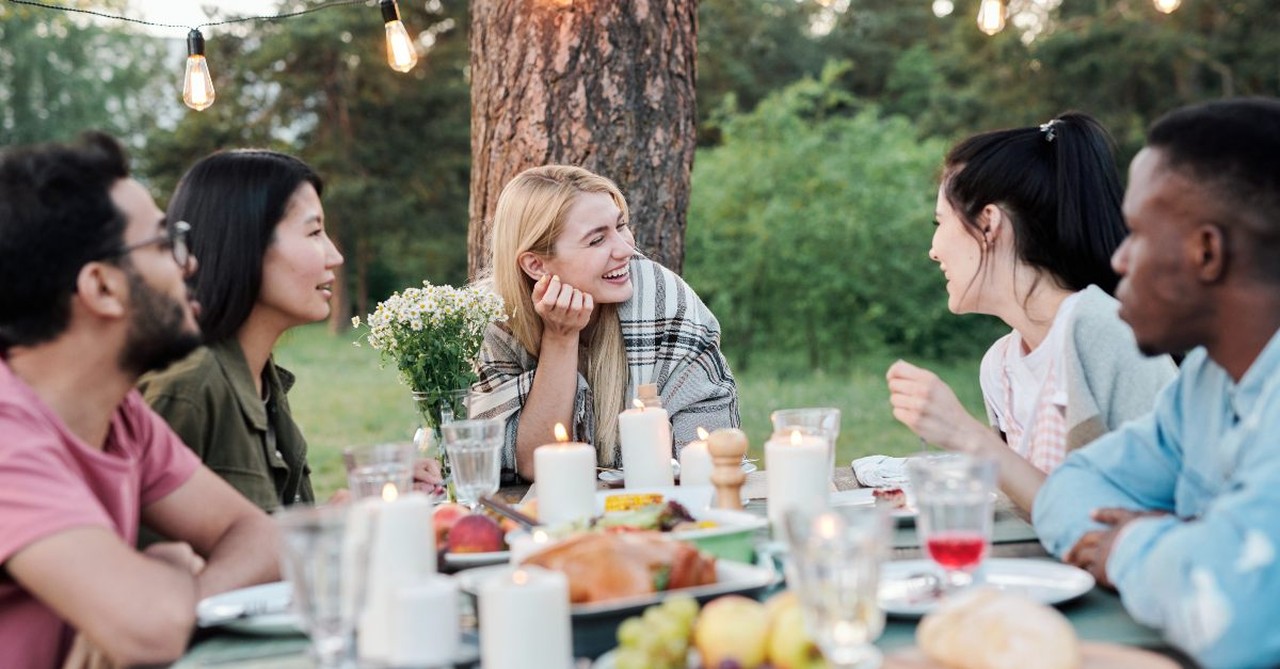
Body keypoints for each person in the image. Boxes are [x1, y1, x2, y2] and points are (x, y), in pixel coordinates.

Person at [0, 132, 278, 667]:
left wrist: (182, 597)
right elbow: (150, 631)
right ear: (102, 288)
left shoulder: (120, 413)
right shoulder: (7, 433)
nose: (188, 263)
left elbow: (257, 537)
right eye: (162, 242)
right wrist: (171, 563)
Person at [1034, 98, 1280, 669]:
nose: (1118, 259)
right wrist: (1189, 548)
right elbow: (1071, 485)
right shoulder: (1205, 380)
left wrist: (1127, 547)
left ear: (1206, 253)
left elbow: (1236, 618)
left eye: (1137, 233)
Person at [885, 113, 1176, 513]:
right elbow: (1036, 511)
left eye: (940, 223)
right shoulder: (1000, 366)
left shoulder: (1103, 330)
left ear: (988, 224)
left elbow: (1143, 517)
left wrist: (964, 432)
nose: (934, 249)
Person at [138, 149, 441, 513]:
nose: (334, 256)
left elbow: (270, 541)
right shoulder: (188, 390)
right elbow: (156, 561)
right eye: (314, 232)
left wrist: (365, 501)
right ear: (245, 242)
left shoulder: (262, 380)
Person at [470, 165, 739, 479]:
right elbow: (533, 464)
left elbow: (710, 452)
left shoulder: (664, 301)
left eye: (621, 226)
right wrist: (560, 338)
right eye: (597, 240)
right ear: (536, 265)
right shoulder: (495, 320)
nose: (626, 249)